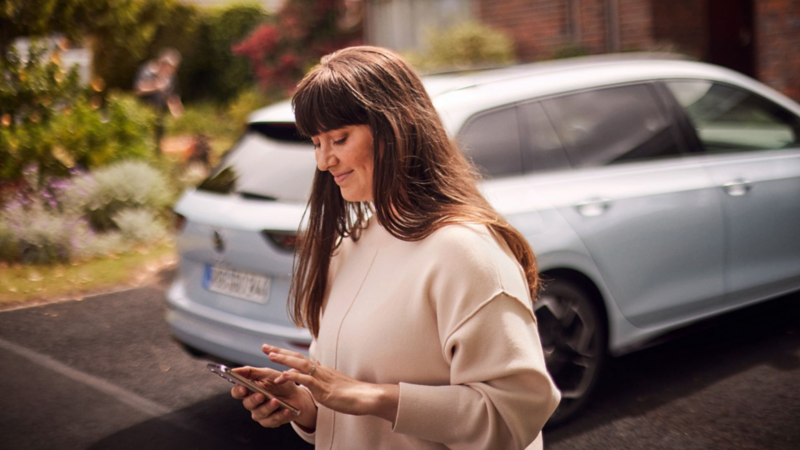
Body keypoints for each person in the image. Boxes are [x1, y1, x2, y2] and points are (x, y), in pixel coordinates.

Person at [230, 46, 561, 449]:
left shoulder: (464, 251)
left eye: (339, 138)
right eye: (316, 142)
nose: (324, 161)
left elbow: (514, 418)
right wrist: (304, 406)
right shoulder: (348, 247)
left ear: (395, 128)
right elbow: (343, 397)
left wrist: (374, 396)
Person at [135, 47, 184, 153]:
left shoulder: (170, 76)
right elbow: (138, 89)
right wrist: (155, 85)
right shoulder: (147, 70)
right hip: (144, 112)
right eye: (170, 68)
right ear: (162, 64)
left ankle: (156, 158)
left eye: (173, 69)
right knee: (143, 138)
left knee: (158, 140)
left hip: (159, 113)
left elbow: (172, 95)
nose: (171, 71)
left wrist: (176, 108)